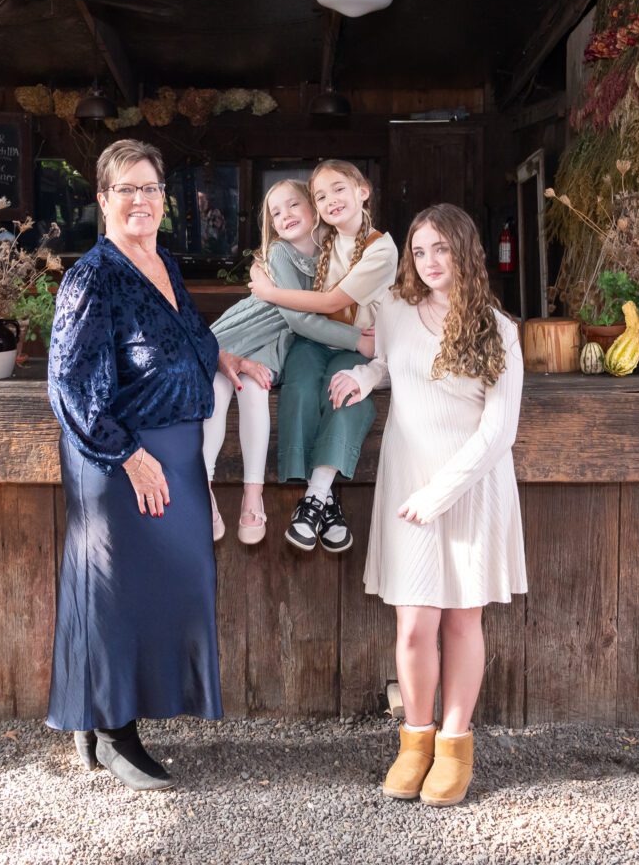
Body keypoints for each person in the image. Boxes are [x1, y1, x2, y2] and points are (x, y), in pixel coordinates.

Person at [47, 139, 249, 791]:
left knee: (171, 589)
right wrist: (128, 456)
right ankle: (112, 734)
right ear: (102, 199)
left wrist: (223, 359)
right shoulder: (93, 278)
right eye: (126, 189)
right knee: (116, 596)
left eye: (151, 189)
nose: (140, 200)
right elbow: (70, 389)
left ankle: (99, 714)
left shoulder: (161, 261)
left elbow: (185, 332)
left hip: (175, 452)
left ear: (165, 201)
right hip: (119, 456)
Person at [328, 204, 526, 808]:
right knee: (414, 625)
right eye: (419, 251)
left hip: (468, 488)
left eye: (441, 249)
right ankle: (414, 743)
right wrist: (364, 379)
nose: (429, 262)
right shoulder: (395, 311)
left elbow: (501, 431)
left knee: (464, 619)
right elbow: (391, 363)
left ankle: (456, 744)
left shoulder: (499, 329)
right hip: (407, 478)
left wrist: (441, 494)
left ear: (465, 251)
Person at [203, 179, 375, 545]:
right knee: (216, 389)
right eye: (276, 213)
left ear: (314, 209)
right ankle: (203, 490)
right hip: (248, 330)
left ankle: (254, 494)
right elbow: (299, 317)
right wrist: (355, 340)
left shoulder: (336, 252)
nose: (285, 216)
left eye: (293, 205)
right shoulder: (280, 253)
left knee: (254, 388)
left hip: (274, 343)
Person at [248, 160, 397, 552]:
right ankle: (327, 501)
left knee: (345, 393)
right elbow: (281, 246)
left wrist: (270, 292)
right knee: (298, 387)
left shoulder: (379, 247)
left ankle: (313, 496)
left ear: (363, 190)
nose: (331, 200)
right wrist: (264, 264)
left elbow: (332, 300)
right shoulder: (324, 234)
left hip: (359, 341)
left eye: (339, 190)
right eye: (321, 195)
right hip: (317, 339)